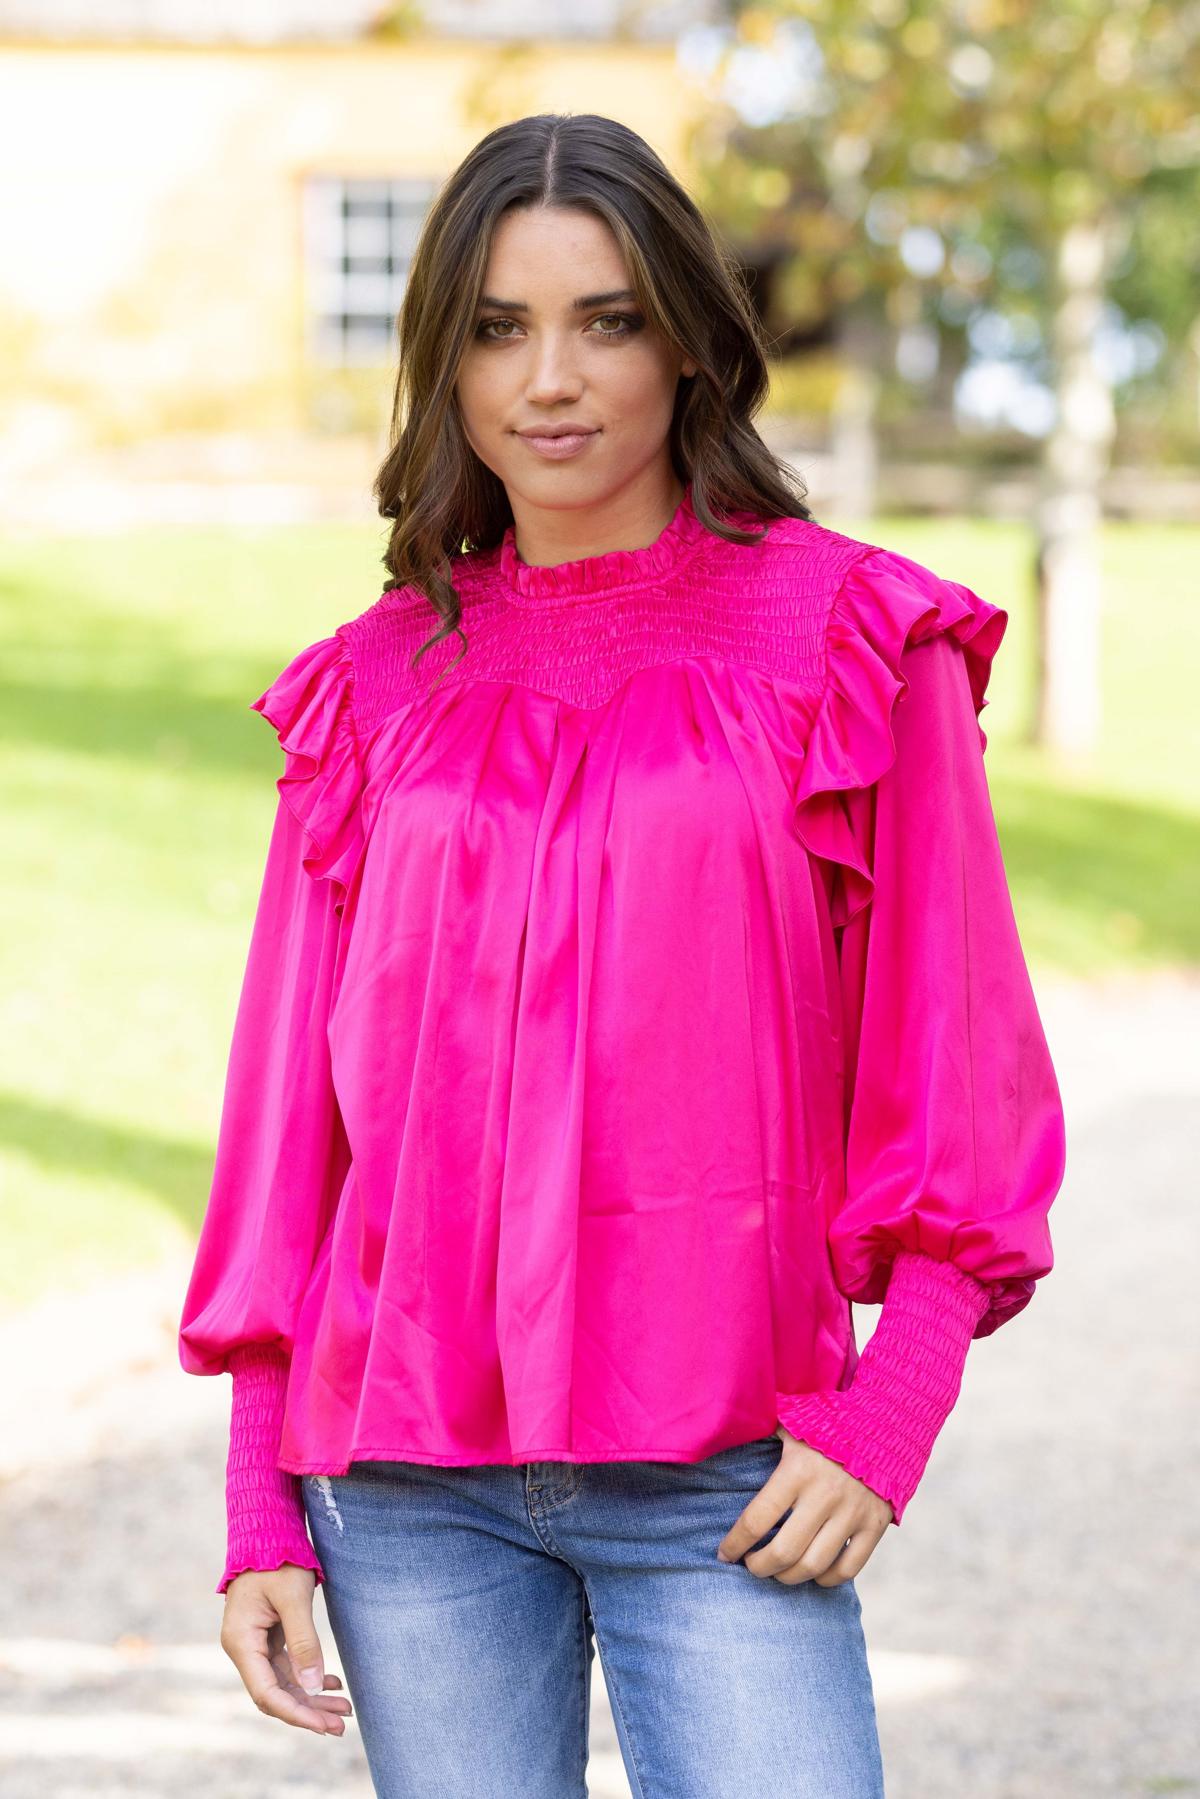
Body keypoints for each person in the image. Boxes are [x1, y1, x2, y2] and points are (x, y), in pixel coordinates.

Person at [177, 113, 1066, 1798]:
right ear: (443, 364)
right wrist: (254, 1498)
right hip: (403, 1483)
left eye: (607, 319)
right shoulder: (371, 696)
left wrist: (895, 1406)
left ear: (689, 341)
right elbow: (298, 1121)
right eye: (499, 329)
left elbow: (955, 1056)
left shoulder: (850, 641)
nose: (551, 380)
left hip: (726, 1471)